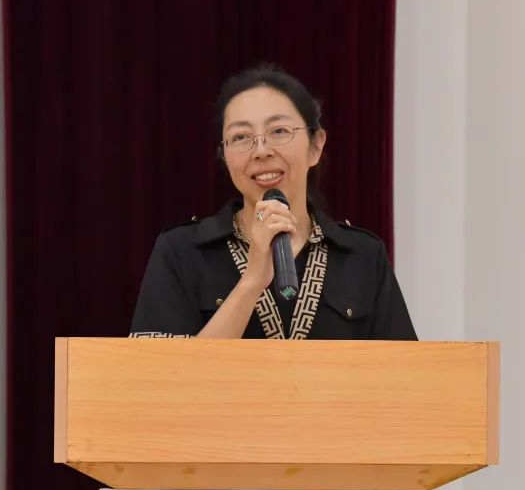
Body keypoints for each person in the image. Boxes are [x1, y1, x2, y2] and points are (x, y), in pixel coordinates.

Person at [129, 64, 416, 340]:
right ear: (224, 155)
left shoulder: (363, 255)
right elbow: (160, 370)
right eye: (241, 137)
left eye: (279, 131)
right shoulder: (181, 251)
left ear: (316, 146)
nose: (261, 151)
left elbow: (405, 369)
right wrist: (252, 282)